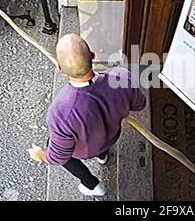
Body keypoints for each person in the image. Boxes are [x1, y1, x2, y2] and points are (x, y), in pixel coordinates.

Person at [28, 33, 146, 196]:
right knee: (101, 139)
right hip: (111, 136)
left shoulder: (61, 112)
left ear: (59, 68)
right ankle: (103, 156)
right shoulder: (122, 76)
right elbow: (140, 105)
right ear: (93, 55)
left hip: (86, 150)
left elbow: (58, 157)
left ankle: (91, 185)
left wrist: (41, 155)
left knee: (51, 143)